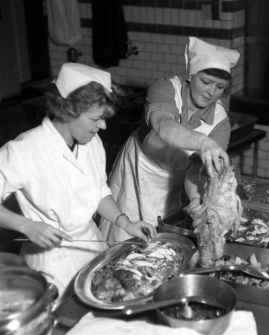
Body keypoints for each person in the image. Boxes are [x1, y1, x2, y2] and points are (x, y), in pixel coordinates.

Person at [0, 63, 156, 296]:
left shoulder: (92, 143)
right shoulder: (24, 150)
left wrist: (126, 223)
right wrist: (28, 226)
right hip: (53, 263)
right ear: (66, 110)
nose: (102, 126)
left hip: (92, 246)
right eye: (96, 118)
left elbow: (98, 190)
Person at [100, 37, 240, 241]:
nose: (211, 92)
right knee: (121, 238)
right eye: (206, 82)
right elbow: (164, 126)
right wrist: (203, 142)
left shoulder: (220, 123)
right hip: (137, 170)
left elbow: (196, 169)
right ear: (191, 75)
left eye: (220, 87)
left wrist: (194, 197)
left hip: (174, 182)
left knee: (161, 241)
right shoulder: (165, 88)